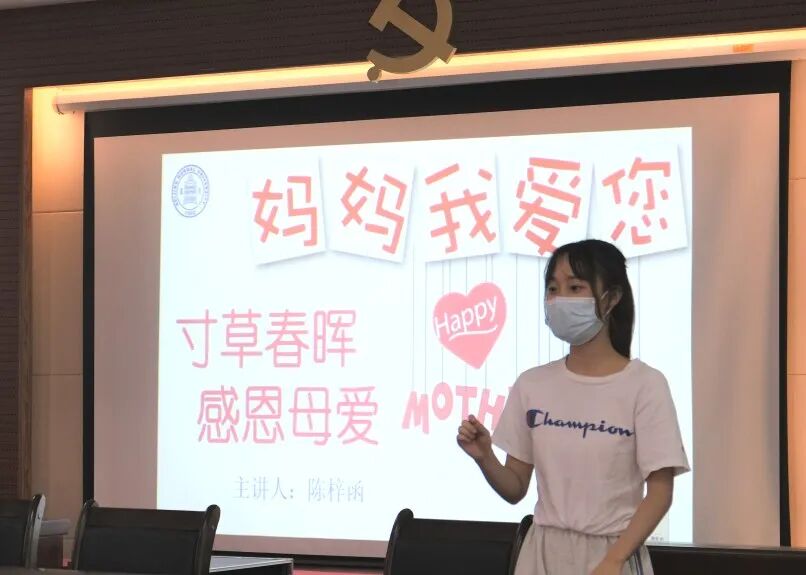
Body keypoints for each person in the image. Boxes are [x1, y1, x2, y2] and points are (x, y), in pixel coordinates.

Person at [457, 239, 689, 575]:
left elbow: (660, 492)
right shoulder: (532, 384)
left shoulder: (645, 385)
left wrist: (614, 560)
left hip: (614, 554)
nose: (559, 298)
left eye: (575, 287)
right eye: (552, 289)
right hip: (541, 554)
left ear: (611, 298)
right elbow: (515, 487)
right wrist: (485, 457)